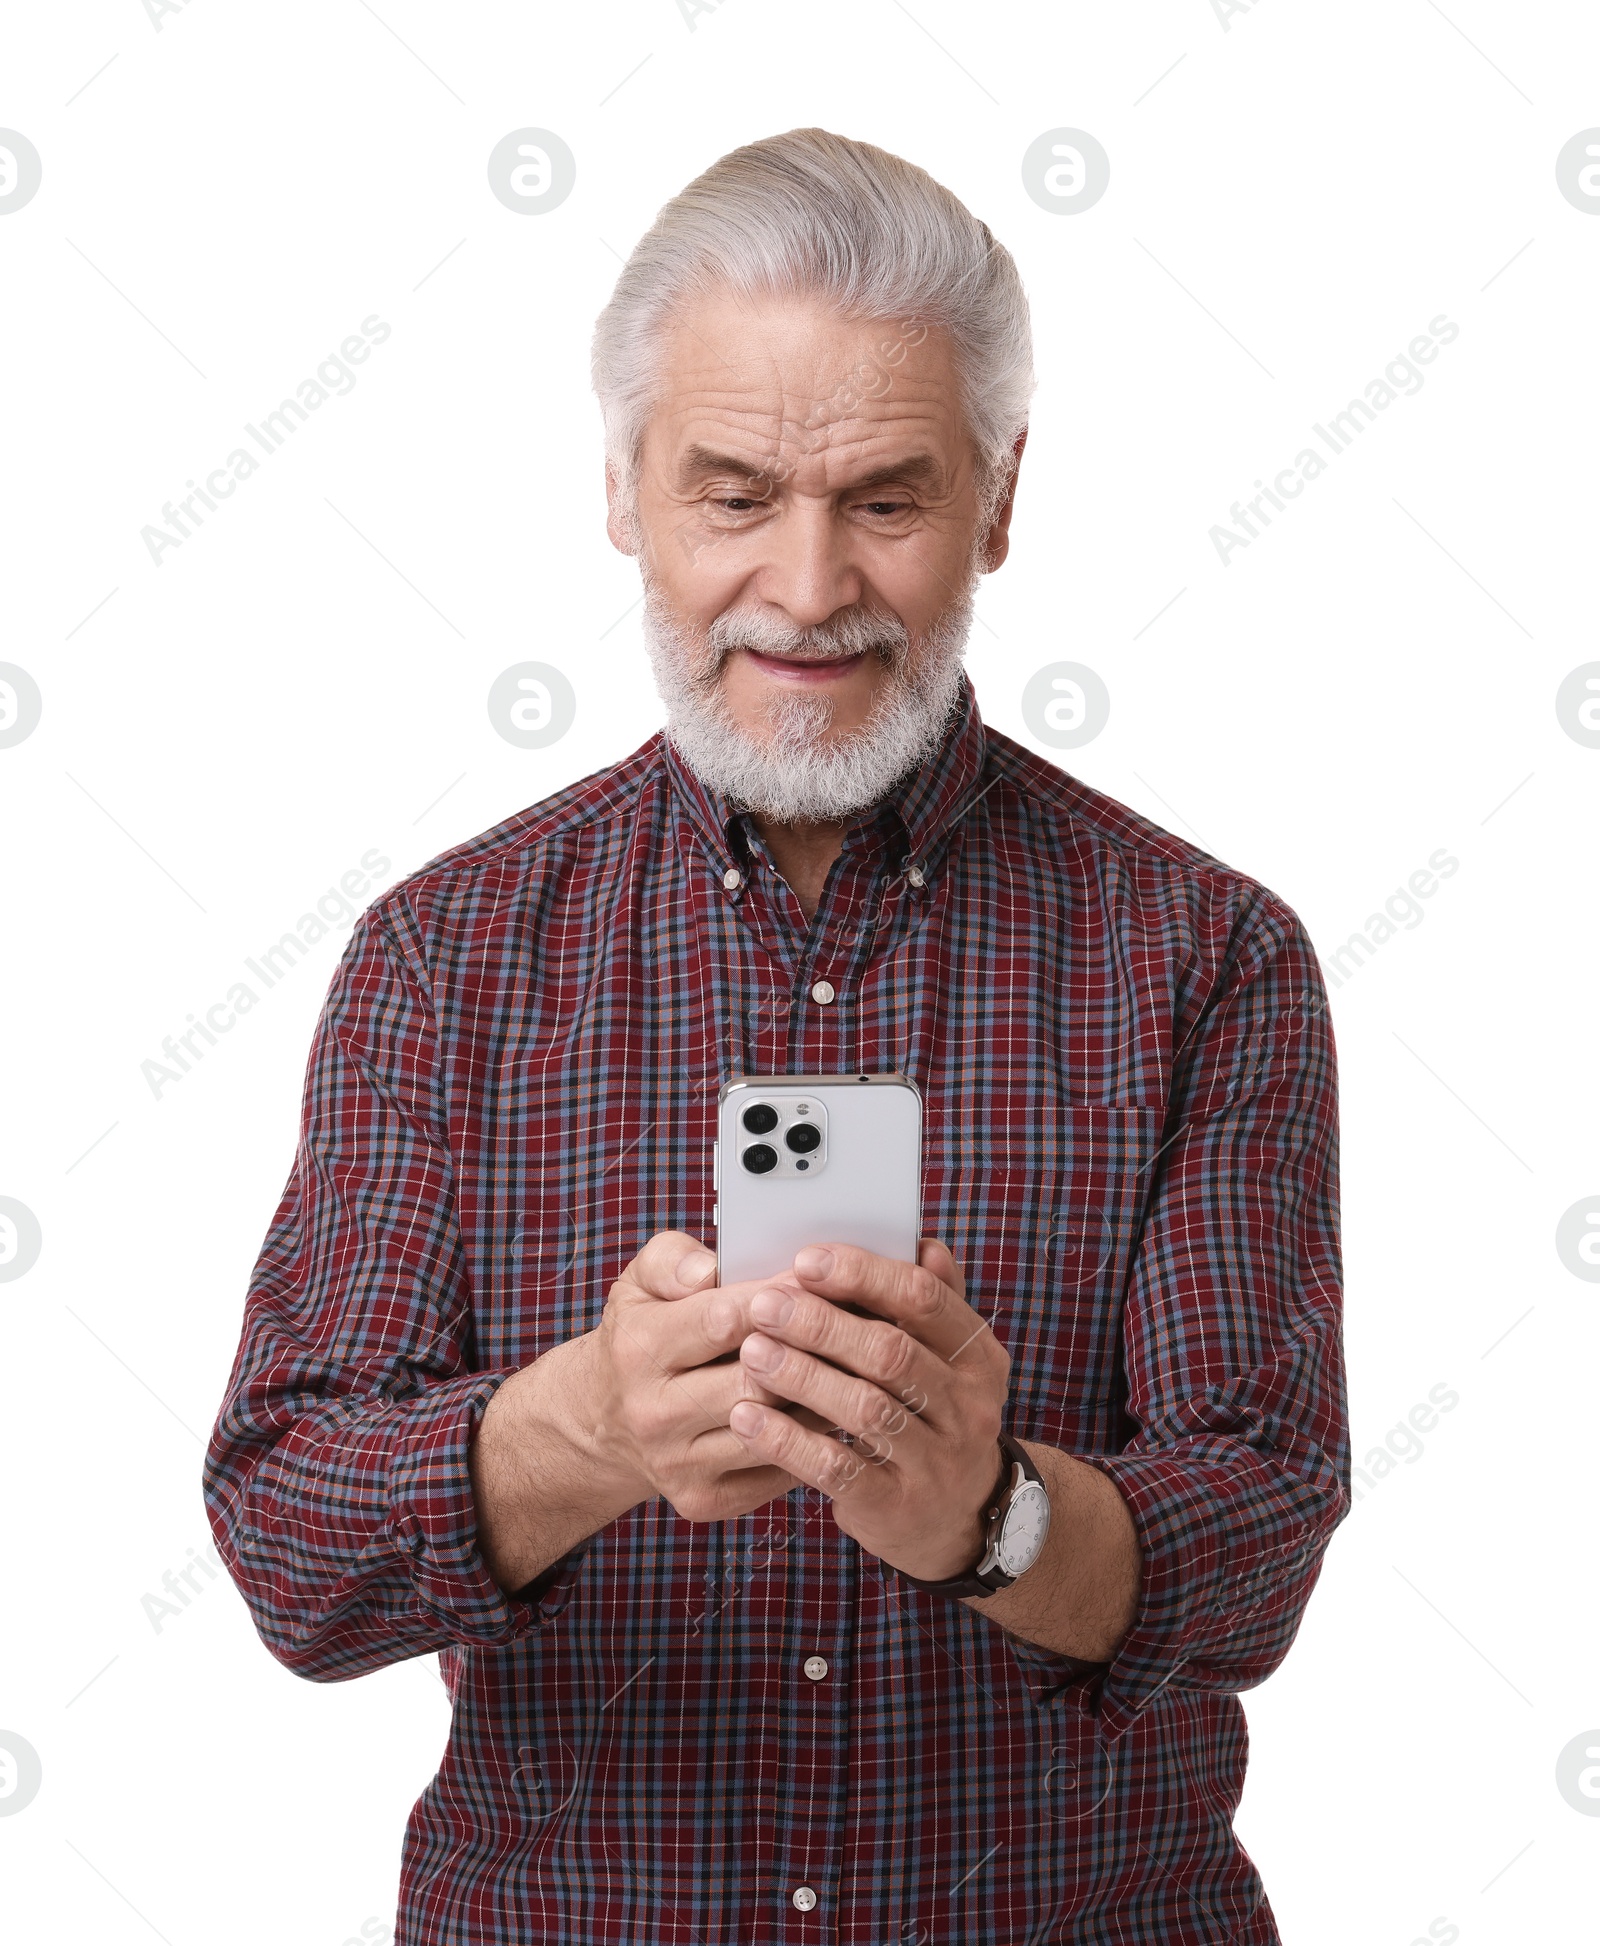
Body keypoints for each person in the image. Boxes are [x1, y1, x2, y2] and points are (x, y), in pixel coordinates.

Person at [204, 127, 1348, 1944]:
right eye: (734, 492)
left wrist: (995, 1515)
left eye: (884, 499)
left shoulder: (1205, 957)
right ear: (621, 491)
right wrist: (575, 1429)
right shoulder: (447, 958)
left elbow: (1261, 1537)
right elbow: (290, 1547)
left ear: (997, 496)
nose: (808, 593)